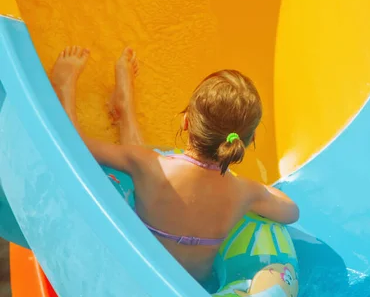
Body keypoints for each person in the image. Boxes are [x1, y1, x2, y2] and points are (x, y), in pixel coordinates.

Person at [51, 46, 299, 284]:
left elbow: (76, 145)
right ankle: (124, 107)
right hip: (194, 290)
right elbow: (291, 211)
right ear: (248, 141)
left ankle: (112, 104)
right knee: (141, 161)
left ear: (186, 122)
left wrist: (65, 89)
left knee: (139, 161)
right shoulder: (244, 193)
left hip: (138, 272)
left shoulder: (152, 166)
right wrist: (252, 188)